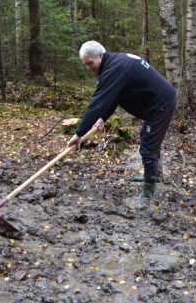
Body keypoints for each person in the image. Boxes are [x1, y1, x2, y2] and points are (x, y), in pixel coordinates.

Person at [67, 41, 177, 202]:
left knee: (148, 144)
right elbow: (113, 96)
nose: (89, 68)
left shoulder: (115, 68)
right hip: (158, 101)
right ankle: (154, 174)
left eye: (90, 63)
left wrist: (79, 133)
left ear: (100, 55)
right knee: (151, 141)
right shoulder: (115, 63)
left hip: (161, 103)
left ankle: (149, 189)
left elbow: (98, 103)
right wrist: (103, 118)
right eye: (85, 65)